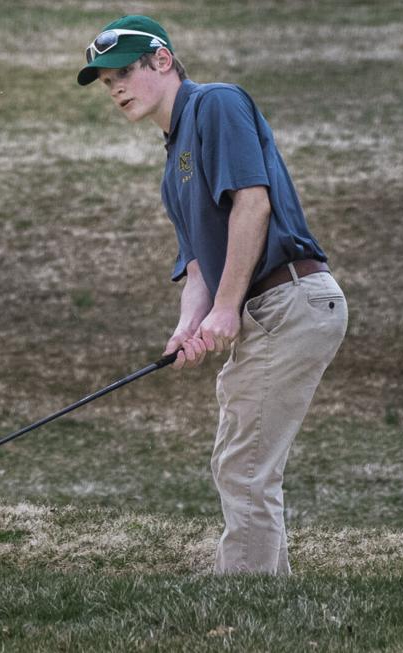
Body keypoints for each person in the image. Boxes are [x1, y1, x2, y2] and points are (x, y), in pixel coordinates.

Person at [77, 15, 347, 574]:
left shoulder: (215, 104)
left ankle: (244, 589)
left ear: (163, 60)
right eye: (106, 82)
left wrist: (226, 310)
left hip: (290, 298)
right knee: (240, 458)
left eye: (124, 72)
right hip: (271, 310)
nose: (116, 88)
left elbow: (253, 203)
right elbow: (199, 266)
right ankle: (263, 586)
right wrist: (189, 326)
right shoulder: (171, 167)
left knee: (244, 463)